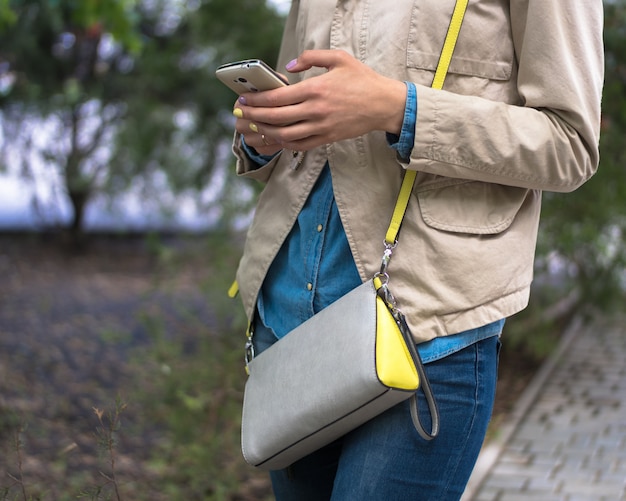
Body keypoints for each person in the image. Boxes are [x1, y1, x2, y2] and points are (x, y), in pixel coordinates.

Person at [228, 1, 604, 499]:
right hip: (289, 322)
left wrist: (396, 108)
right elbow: (305, 102)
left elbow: (569, 144)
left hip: (425, 325)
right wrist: (269, 130)